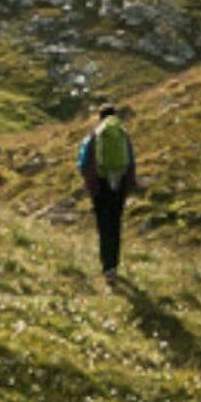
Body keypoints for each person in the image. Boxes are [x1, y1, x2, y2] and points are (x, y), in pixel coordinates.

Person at [77, 104, 140, 278]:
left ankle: (107, 266)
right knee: (115, 223)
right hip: (119, 185)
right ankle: (114, 265)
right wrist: (129, 185)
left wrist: (90, 182)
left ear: (100, 117)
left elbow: (82, 164)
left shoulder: (94, 135)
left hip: (100, 185)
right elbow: (131, 162)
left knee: (103, 224)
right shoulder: (123, 135)